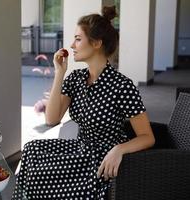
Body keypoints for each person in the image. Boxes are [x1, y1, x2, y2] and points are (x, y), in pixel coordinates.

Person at [12, 5, 155, 200]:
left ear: (96, 43)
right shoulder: (76, 78)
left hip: (102, 159)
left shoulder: (122, 86)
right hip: (80, 148)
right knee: (31, 150)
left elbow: (148, 137)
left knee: (40, 176)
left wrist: (119, 149)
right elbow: (52, 119)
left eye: (78, 39)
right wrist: (60, 73)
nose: (72, 45)